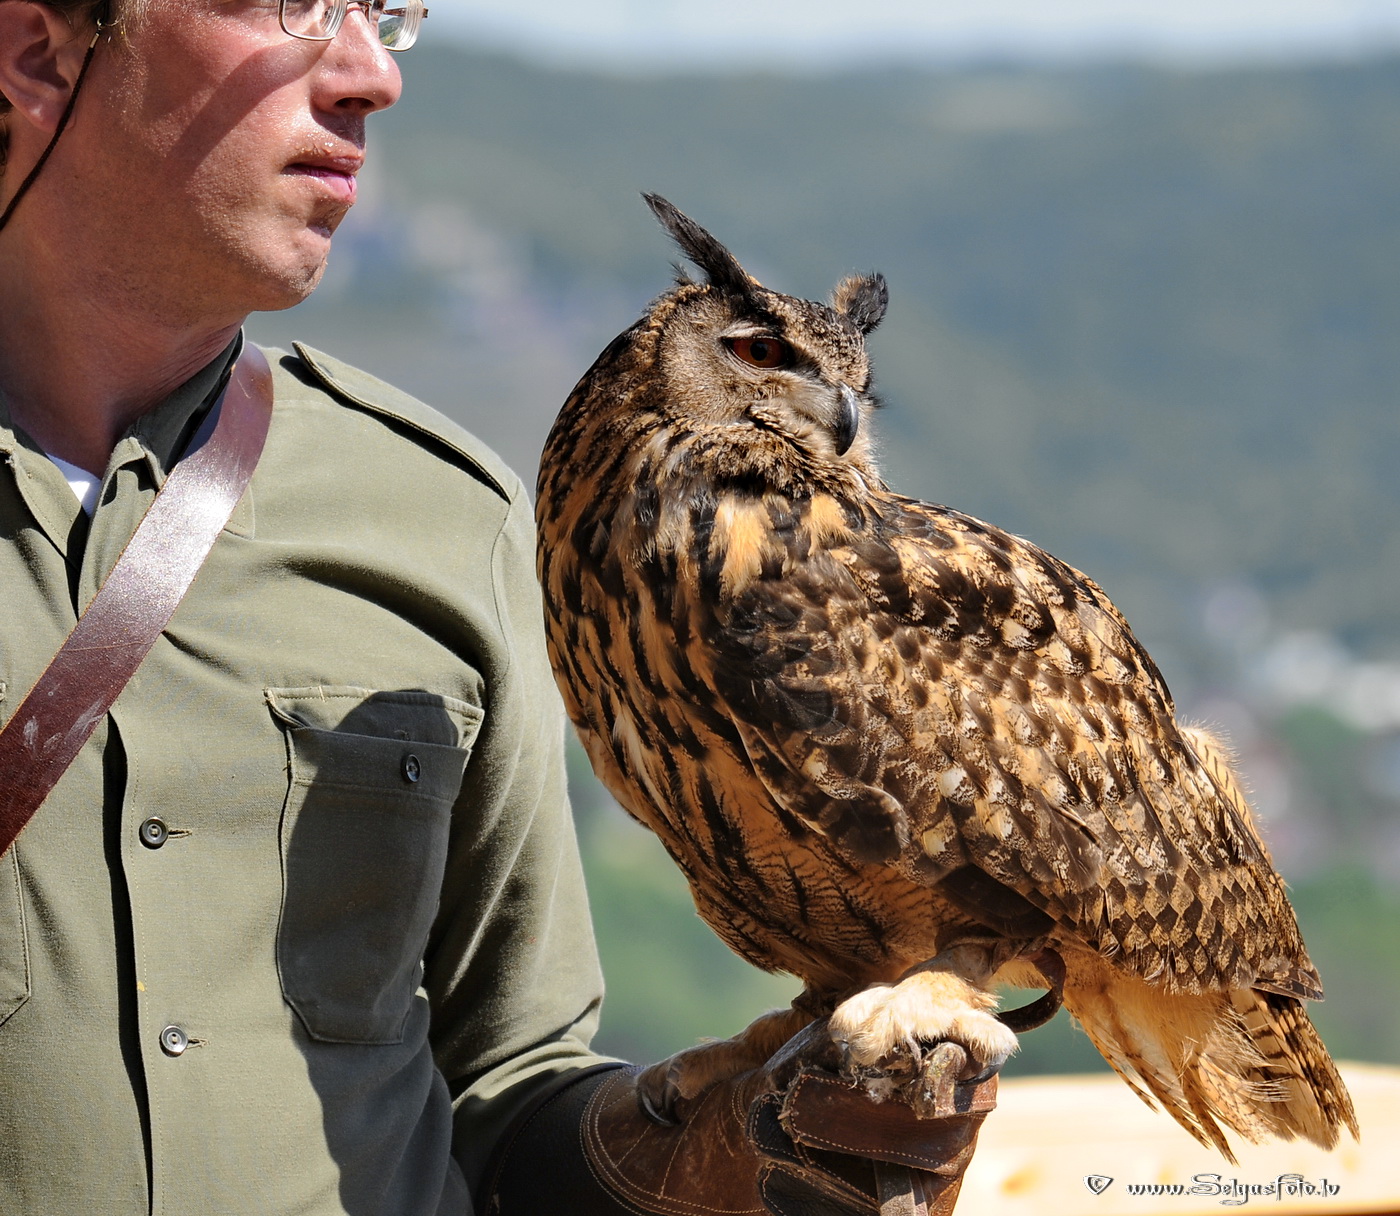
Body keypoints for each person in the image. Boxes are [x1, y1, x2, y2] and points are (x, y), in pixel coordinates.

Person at [0, 2, 983, 1212]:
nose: (370, 75)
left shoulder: (439, 513)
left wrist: (697, 1153)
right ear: (42, 50)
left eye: (386, 13)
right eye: (296, 5)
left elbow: (504, 1081)